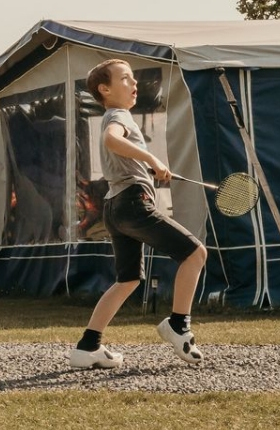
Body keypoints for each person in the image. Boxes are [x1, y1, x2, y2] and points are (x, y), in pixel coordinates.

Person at [68, 59, 210, 369]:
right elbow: (111, 140)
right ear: (105, 89)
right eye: (125, 79)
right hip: (132, 203)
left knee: (128, 280)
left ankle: (87, 346)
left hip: (115, 207)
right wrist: (151, 157)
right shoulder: (117, 116)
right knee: (196, 254)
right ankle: (178, 324)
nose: (134, 84)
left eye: (133, 79)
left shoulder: (115, 116)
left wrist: (147, 166)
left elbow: (117, 152)